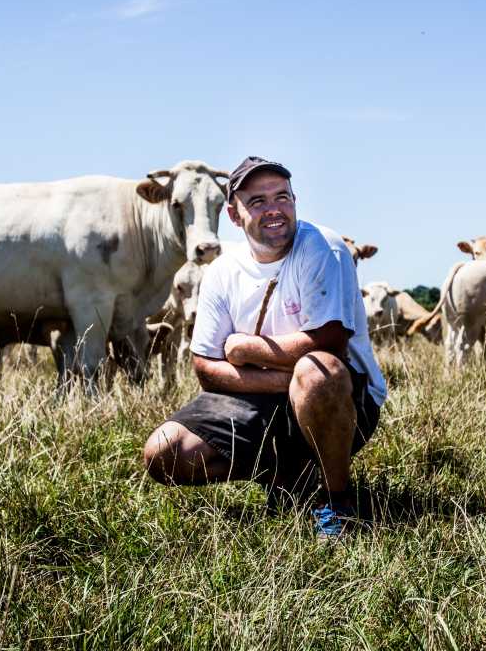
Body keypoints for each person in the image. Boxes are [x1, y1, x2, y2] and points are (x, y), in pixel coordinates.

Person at [142, 156, 387, 538]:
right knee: (164, 452)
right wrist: (285, 380)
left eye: (282, 197)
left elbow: (331, 342)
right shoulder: (223, 271)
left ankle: (336, 501)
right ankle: (286, 477)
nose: (274, 209)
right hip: (259, 397)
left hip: (341, 397)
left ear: (295, 201)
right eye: (257, 201)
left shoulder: (324, 248)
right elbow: (205, 367)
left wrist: (245, 350)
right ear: (234, 215)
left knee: (318, 372)